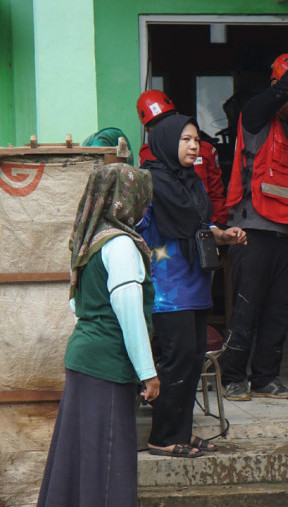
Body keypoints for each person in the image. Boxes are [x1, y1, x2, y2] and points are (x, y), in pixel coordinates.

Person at [219, 13, 288, 401]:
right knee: (247, 307)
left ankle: (266, 377)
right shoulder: (254, 117)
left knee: (280, 310)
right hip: (254, 230)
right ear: (278, 89)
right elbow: (284, 87)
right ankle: (233, 376)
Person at [38, 163, 160, 506]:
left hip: (82, 359)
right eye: (141, 198)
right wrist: (148, 372)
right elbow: (129, 312)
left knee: (77, 459)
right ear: (127, 200)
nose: (144, 206)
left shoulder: (89, 240)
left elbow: (79, 307)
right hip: (106, 366)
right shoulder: (121, 245)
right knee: (107, 462)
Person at [139, 114, 246, 457]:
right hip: (169, 292)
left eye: (196, 141)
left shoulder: (191, 182)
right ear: (169, 142)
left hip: (197, 286)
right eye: (185, 139)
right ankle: (163, 436)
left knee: (192, 362)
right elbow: (137, 231)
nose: (193, 146)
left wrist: (224, 236)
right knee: (176, 363)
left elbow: (201, 225)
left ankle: (182, 433)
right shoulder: (149, 184)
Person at [137, 89, 228, 225]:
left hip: (204, 228)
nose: (165, 128)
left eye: (168, 120)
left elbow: (216, 195)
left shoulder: (203, 149)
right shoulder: (147, 155)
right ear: (148, 131)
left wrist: (217, 229)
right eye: (157, 125)